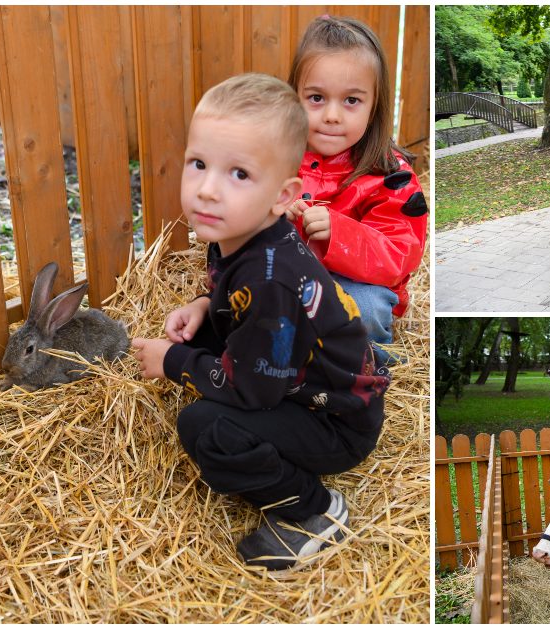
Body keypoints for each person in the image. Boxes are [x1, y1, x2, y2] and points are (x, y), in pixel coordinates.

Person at [129, 73, 390, 572]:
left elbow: (253, 392)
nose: (207, 190)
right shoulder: (240, 232)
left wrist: (176, 362)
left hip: (334, 423)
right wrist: (207, 306)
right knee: (205, 341)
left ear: (282, 194)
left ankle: (312, 512)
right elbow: (237, 299)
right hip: (297, 377)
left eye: (239, 174)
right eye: (199, 164)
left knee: (205, 427)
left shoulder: (274, 280)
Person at [286, 16, 428, 365]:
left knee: (363, 308)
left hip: (355, 284)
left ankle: (367, 363)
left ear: (374, 105)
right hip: (287, 280)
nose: (332, 115)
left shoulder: (390, 175)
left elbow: (400, 253)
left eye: (351, 101)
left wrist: (340, 234)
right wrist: (276, 216)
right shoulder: (276, 159)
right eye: (316, 98)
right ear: (294, 98)